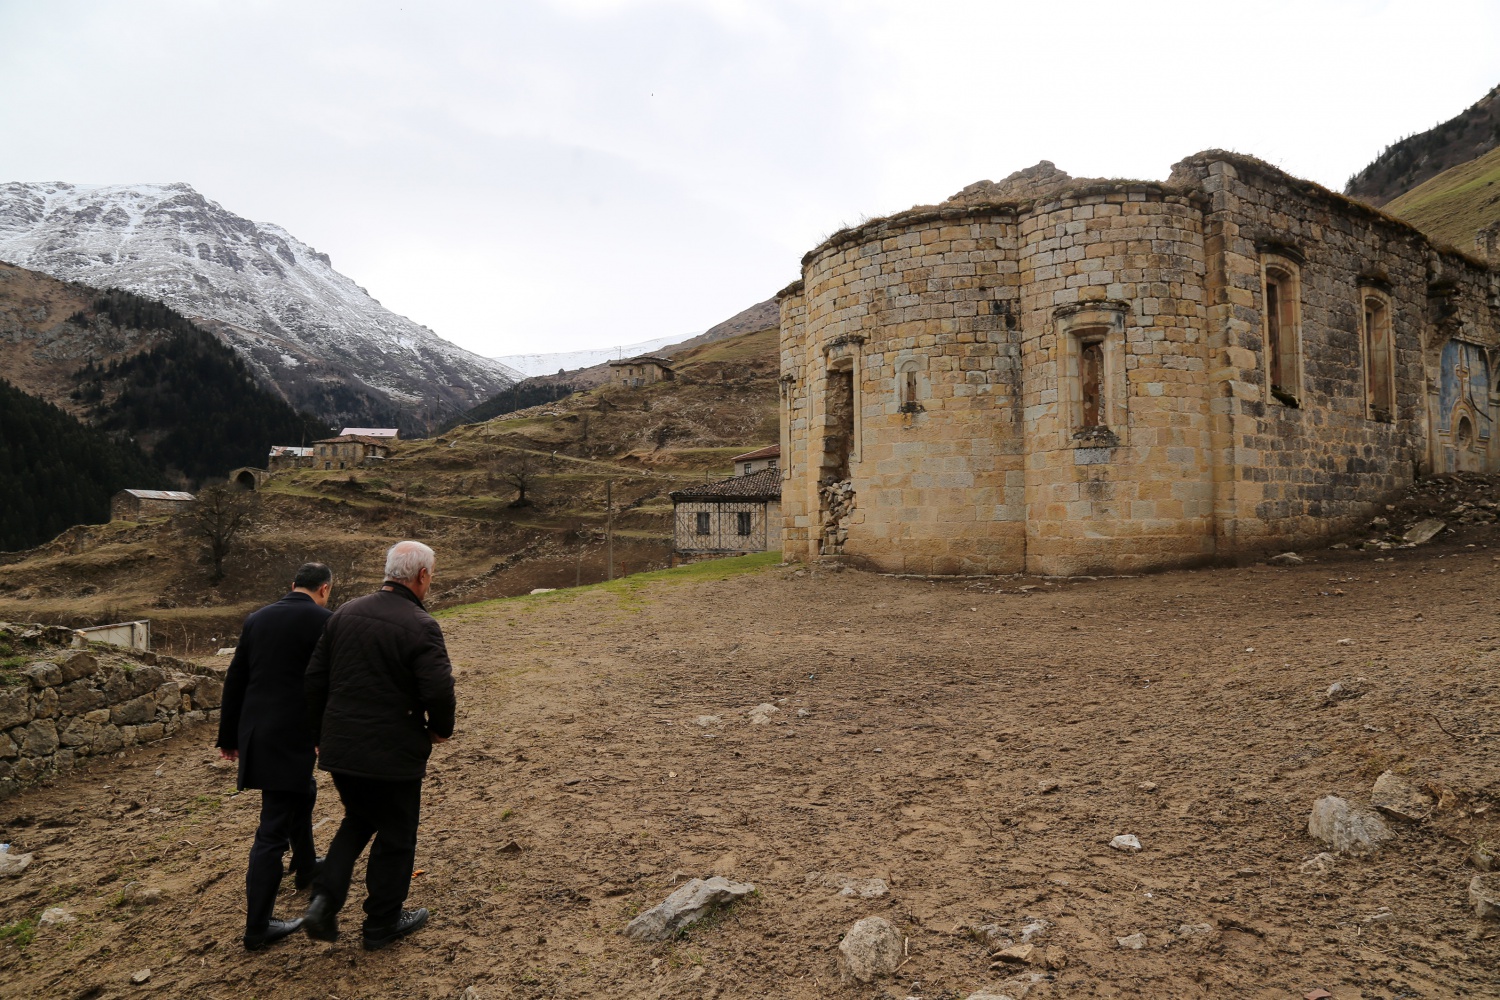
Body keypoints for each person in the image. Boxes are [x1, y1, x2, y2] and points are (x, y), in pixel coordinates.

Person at [301, 540, 456, 950]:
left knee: (360, 818)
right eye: (432, 574)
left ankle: (324, 899)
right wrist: (441, 729)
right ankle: (381, 923)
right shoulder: (421, 625)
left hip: (342, 746)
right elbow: (439, 688)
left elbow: (315, 679)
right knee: (397, 835)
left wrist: (319, 735)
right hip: (393, 750)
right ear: (421, 576)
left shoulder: (343, 613)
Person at [216, 562, 335, 951]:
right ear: (325, 588)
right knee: (272, 830)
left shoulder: (257, 619)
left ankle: (305, 867)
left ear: (292, 585)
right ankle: (258, 928)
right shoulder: (325, 621)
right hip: (292, 734)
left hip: (256, 731)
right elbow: (329, 680)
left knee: (304, 791)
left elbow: (236, 677)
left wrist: (229, 737)